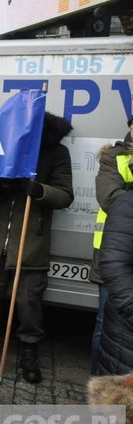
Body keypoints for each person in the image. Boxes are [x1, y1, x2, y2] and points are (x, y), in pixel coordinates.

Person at [0, 112, 74, 384]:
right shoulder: (2, 147)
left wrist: (39, 190)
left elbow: (65, 194)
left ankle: (29, 349)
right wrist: (3, 186)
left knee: (29, 303)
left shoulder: (56, 152)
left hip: (31, 242)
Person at [90, 115, 133, 375]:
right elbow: (111, 198)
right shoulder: (114, 157)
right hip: (115, 255)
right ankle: (99, 390)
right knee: (106, 325)